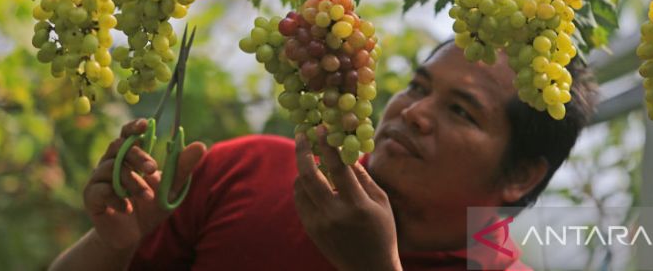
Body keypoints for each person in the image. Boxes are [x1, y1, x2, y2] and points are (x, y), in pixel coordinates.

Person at [49, 40, 596, 270]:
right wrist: (111, 246)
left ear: (521, 176)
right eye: (417, 86)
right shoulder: (246, 169)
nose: (414, 112)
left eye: (461, 112)